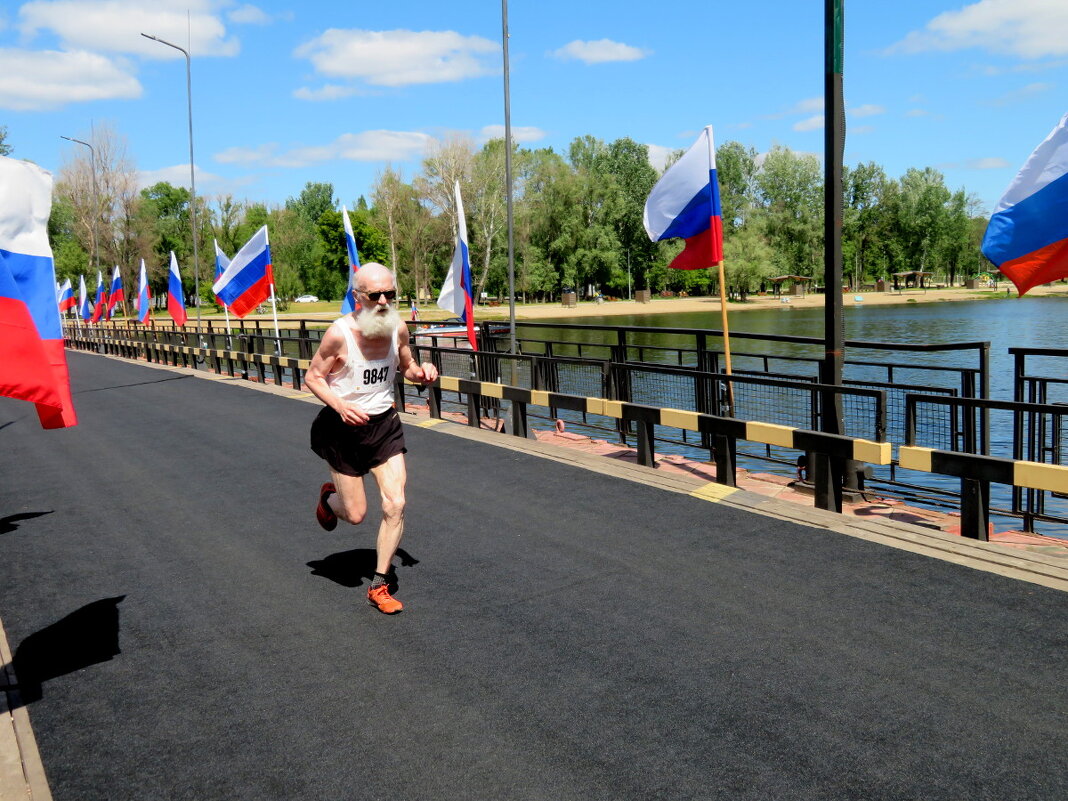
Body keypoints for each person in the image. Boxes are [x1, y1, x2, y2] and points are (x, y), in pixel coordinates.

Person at [304, 263, 439, 614]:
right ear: (356, 297)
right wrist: (339, 404)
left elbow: (407, 367)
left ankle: (379, 585)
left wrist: (421, 373)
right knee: (356, 513)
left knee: (395, 503)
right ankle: (329, 500)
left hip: (384, 426)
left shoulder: (398, 329)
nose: (383, 301)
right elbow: (314, 377)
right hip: (342, 429)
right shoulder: (339, 334)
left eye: (390, 294)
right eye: (374, 295)